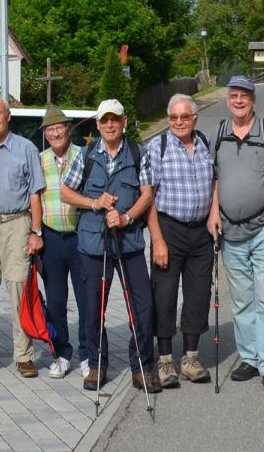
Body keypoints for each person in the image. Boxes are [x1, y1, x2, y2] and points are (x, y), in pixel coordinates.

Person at [62, 99, 161, 394]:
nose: (109, 124)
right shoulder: (87, 154)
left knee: (142, 309)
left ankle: (142, 365)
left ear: (124, 122)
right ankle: (97, 365)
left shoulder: (137, 153)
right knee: (93, 310)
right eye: (104, 120)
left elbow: (147, 194)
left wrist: (128, 216)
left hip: (129, 243)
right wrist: (95, 203)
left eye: (114, 119)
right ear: (97, 124)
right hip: (93, 244)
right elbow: (66, 192)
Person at [207, 76, 264, 394]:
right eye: (233, 96)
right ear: (228, 100)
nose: (238, 100)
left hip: (263, 231)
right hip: (229, 231)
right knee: (241, 301)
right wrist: (214, 213)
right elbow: (214, 178)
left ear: (254, 100)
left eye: (244, 96)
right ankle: (250, 358)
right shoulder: (218, 134)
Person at [0, 95, 46, 378]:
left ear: (8, 116)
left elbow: (36, 193)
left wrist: (36, 232)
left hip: (17, 224)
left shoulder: (26, 148)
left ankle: (23, 355)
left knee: (18, 290)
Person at [146, 94, 215, 388]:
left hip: (201, 232)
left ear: (194, 118)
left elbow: (215, 182)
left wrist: (213, 215)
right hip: (168, 229)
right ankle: (164, 360)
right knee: (164, 296)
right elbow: (147, 198)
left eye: (184, 117)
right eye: (173, 117)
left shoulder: (205, 144)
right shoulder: (157, 146)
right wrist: (158, 240)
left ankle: (190, 357)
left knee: (198, 295)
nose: (178, 122)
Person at [36, 105, 87, 379]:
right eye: (50, 129)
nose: (55, 132)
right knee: (56, 300)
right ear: (45, 133)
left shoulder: (83, 155)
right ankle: (62, 353)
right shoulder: (40, 159)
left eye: (59, 127)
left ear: (68, 129)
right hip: (52, 237)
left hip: (80, 237)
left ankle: (89, 353)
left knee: (87, 300)